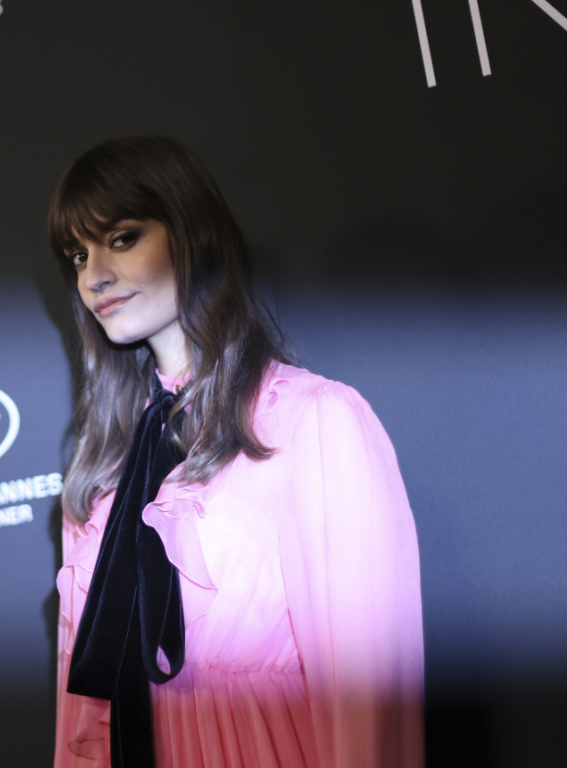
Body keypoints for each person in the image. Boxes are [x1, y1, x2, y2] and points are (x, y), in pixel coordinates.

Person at [48, 136, 423, 768]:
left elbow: (370, 698)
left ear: (191, 234)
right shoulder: (102, 470)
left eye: (122, 238)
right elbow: (82, 717)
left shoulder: (312, 422)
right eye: (77, 255)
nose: (94, 276)